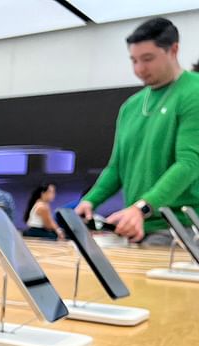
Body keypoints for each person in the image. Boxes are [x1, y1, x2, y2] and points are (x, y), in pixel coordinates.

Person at [75, 17, 199, 245]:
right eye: (134, 60)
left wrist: (141, 208)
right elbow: (116, 168)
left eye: (148, 59)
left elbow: (190, 162)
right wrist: (89, 201)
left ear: (174, 50)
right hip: (135, 230)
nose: (139, 69)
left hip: (180, 230)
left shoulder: (194, 92)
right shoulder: (130, 107)